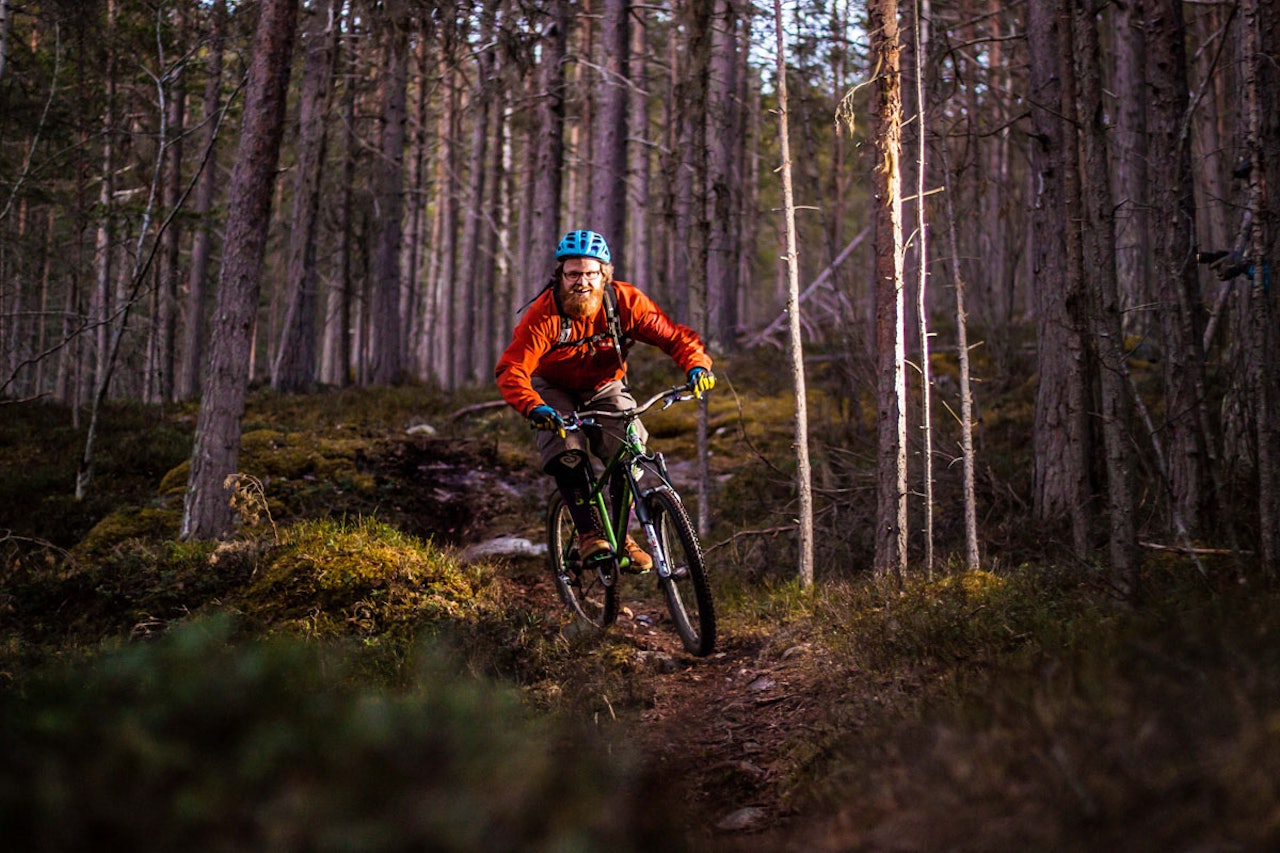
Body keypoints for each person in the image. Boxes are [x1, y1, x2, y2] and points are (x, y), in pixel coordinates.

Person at [495, 229, 716, 570]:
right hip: (551, 386)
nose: (581, 282)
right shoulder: (544, 315)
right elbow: (512, 369)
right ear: (560, 276)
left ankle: (621, 536)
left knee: (628, 448)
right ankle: (589, 534)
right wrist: (533, 405)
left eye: (590, 273)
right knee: (566, 449)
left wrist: (697, 366)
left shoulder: (625, 303)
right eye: (572, 274)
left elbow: (674, 337)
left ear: (605, 275)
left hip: (604, 385)